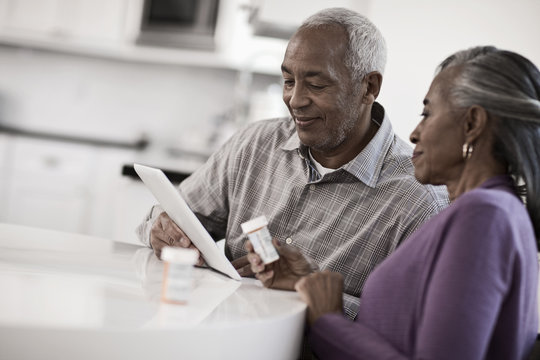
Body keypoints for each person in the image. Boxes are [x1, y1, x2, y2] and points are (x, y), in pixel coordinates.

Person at [136, 7, 448, 318]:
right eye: (288, 81)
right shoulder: (253, 145)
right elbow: (166, 218)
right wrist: (161, 228)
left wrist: (310, 292)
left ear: (369, 87)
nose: (295, 100)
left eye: (316, 85)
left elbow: (411, 331)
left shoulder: (420, 202)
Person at [247, 46, 540, 359]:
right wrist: (309, 286)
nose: (414, 133)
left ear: (472, 124)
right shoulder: (494, 212)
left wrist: (328, 322)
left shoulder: (484, 216)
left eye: (427, 114)